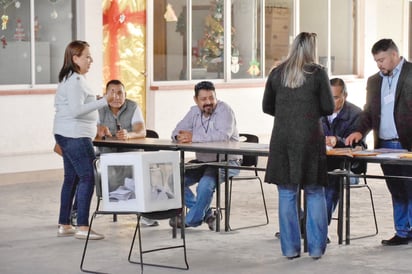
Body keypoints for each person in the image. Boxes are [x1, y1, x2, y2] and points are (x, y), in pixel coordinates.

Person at [262, 32, 334, 259]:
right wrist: (308, 113)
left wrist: (286, 114)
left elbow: (266, 106)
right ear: (312, 49)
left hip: (282, 140)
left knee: (286, 194)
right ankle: (315, 250)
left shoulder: (276, 72)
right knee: (314, 192)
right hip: (310, 139)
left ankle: (291, 249)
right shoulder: (318, 73)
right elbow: (329, 106)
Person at [346, 38, 412, 246]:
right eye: (376, 61)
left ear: (394, 55)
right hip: (385, 144)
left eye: (382, 59)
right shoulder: (375, 81)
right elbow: (368, 112)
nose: (379, 65)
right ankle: (402, 232)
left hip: (408, 143)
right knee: (396, 189)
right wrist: (359, 131)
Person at [53, 40, 114, 240]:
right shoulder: (76, 81)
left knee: (72, 178)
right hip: (75, 135)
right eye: (87, 56)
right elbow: (76, 110)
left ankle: (65, 224)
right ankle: (83, 226)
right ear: (75, 58)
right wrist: (103, 101)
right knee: (88, 177)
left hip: (69, 133)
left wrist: (94, 100)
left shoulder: (73, 79)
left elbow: (77, 105)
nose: (91, 60)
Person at [170, 81, 241, 230]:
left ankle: (191, 220)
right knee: (174, 181)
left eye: (211, 98)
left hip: (227, 161)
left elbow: (222, 136)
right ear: (196, 100)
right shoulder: (193, 111)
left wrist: (192, 137)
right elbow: (176, 131)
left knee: (205, 185)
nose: (208, 102)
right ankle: (208, 215)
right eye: (203, 99)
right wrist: (179, 137)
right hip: (203, 162)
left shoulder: (224, 110)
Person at [95, 79, 159, 227]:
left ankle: (146, 214)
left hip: (131, 155)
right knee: (90, 172)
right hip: (107, 155)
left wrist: (129, 135)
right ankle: (79, 213)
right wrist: (101, 132)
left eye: (120, 93)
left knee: (143, 173)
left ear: (125, 95)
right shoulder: (99, 108)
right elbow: (95, 134)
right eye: (112, 93)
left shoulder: (133, 106)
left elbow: (141, 131)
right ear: (106, 95)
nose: (116, 97)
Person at [322, 78, 366, 228]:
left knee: (332, 179)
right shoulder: (318, 111)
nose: (330, 101)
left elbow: (358, 145)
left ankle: (317, 231)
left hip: (348, 168)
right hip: (322, 164)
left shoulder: (356, 114)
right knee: (290, 179)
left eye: (335, 98)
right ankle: (300, 225)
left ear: (344, 96)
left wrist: (338, 141)